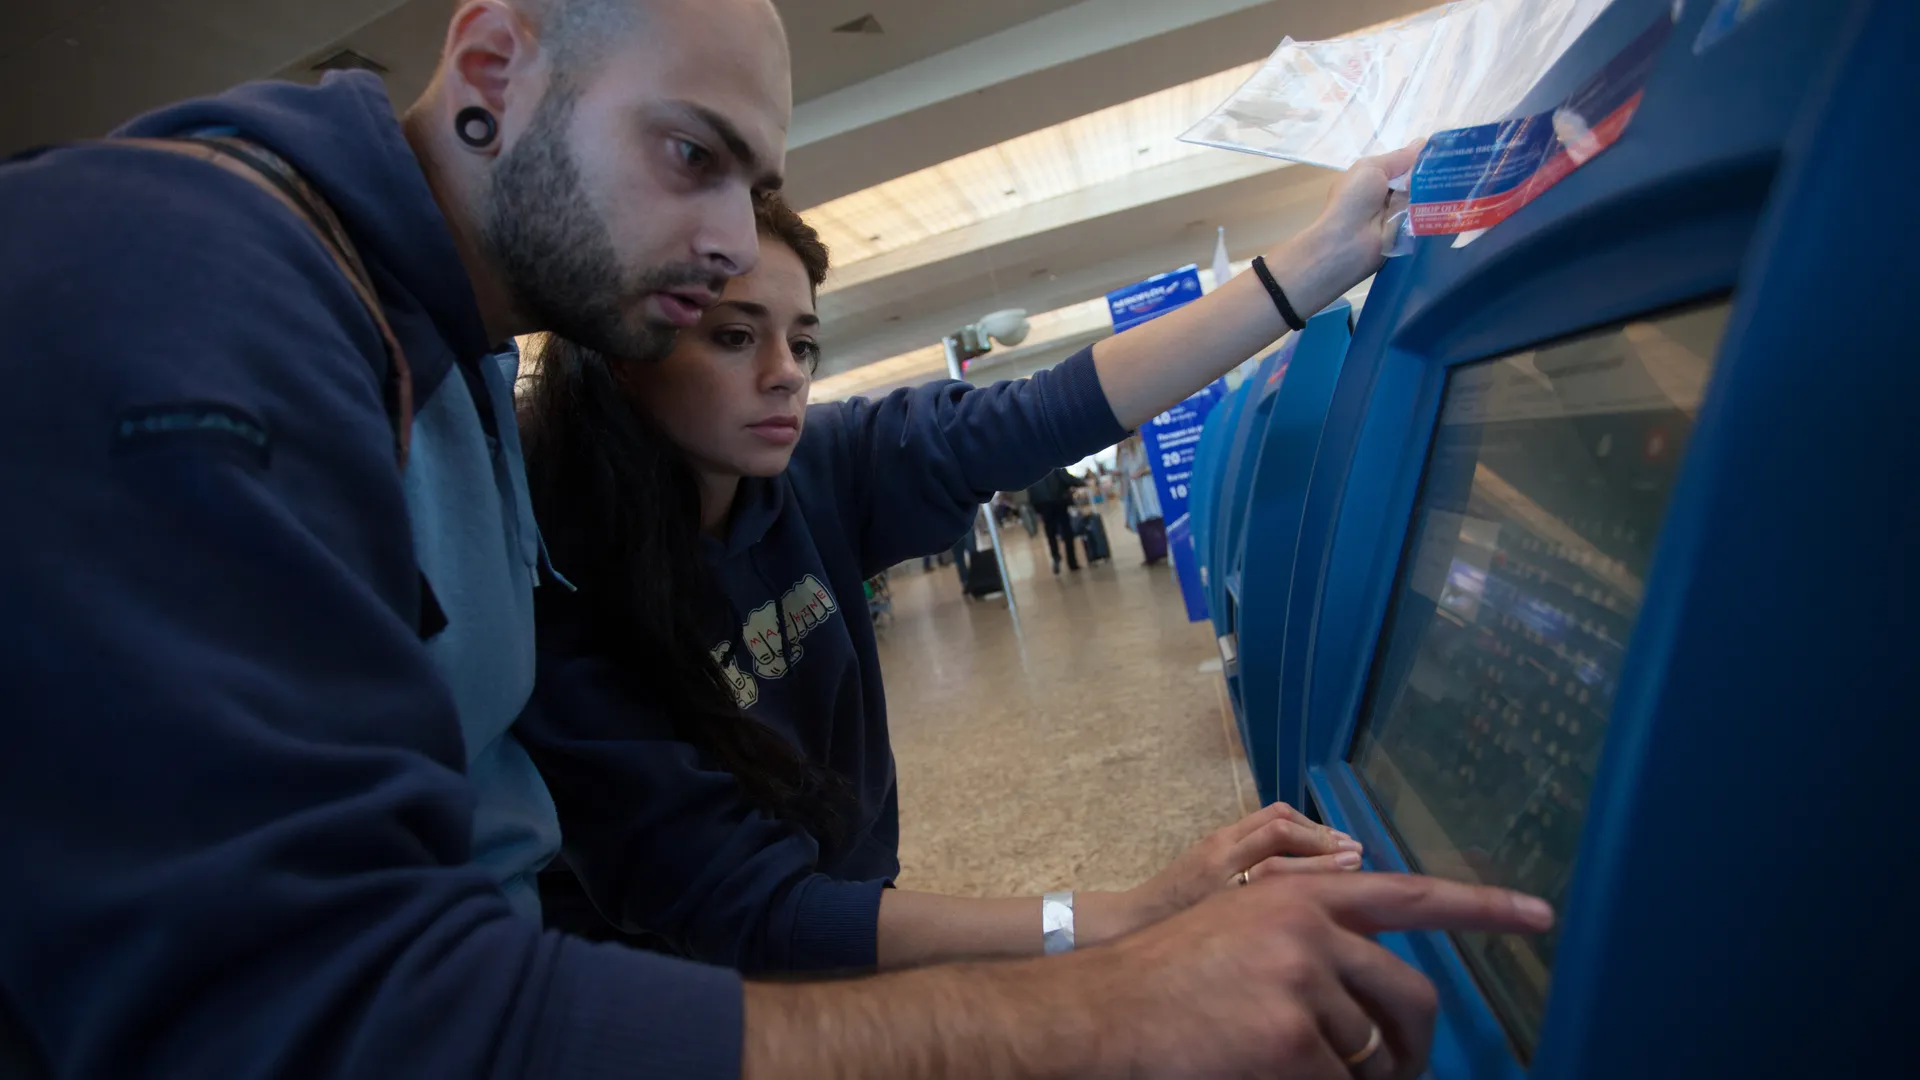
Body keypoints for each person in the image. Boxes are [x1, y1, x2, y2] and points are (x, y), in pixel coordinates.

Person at [0, 0, 1554, 1074]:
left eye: (757, 187)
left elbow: (1031, 414)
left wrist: (1314, 260)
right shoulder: (191, 286)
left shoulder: (452, 354)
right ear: (489, 63)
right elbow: (322, 1018)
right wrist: (1101, 999)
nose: (732, 241)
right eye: (690, 156)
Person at [516, 161, 1465, 982]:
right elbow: (751, 911)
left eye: (801, 341)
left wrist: (1321, 260)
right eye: (734, 335)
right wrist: (1122, 915)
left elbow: (1045, 411)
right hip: (671, 1008)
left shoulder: (814, 468)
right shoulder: (554, 585)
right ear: (626, 352)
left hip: (839, 933)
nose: (785, 373)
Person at [1118, 431, 1167, 564]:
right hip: (1136, 495)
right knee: (1144, 523)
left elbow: (1155, 466)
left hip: (1147, 491)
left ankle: (1162, 549)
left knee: (1156, 519)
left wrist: (1140, 473)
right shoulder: (1125, 455)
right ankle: (1152, 553)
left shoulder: (1143, 448)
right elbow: (1124, 473)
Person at [1028, 466, 1086, 573]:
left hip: (1042, 504)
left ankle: (1055, 556)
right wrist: (1082, 482)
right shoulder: (1053, 462)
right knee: (1067, 532)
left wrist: (1036, 507)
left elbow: (1031, 490)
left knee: (1051, 533)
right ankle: (1072, 562)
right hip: (1059, 501)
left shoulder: (1031, 468)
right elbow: (1067, 479)